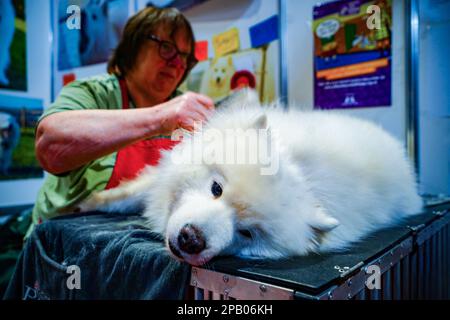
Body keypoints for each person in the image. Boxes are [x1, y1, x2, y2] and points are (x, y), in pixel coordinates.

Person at [28, 6, 215, 237]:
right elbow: (50, 146)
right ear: (133, 46)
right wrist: (161, 118)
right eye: (166, 48)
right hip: (61, 243)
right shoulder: (95, 93)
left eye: (185, 56)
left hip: (124, 243)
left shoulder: (187, 111)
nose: (177, 63)